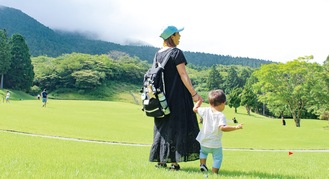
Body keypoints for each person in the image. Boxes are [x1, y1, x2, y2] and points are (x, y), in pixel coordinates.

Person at [149, 26, 203, 171]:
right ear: (172, 36)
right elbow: (183, 75)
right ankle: (174, 162)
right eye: (178, 34)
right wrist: (194, 94)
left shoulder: (157, 54)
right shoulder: (176, 53)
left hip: (161, 99)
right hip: (177, 98)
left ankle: (161, 161)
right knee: (177, 128)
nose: (180, 37)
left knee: (162, 127)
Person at [193, 89, 243, 174]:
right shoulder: (220, 115)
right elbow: (222, 128)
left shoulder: (205, 110)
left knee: (203, 152)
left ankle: (202, 165)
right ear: (223, 103)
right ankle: (214, 172)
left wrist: (199, 101)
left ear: (210, 102)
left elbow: (195, 109)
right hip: (215, 143)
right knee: (217, 157)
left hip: (204, 140)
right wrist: (235, 127)